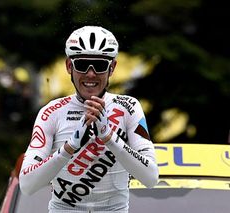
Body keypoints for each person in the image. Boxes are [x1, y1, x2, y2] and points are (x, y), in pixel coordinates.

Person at [19, 26, 159, 213]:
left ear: (112, 68)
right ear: (69, 66)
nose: (91, 73)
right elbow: (27, 185)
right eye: (82, 64)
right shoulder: (51, 112)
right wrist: (70, 147)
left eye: (100, 65)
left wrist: (109, 137)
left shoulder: (128, 108)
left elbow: (150, 177)